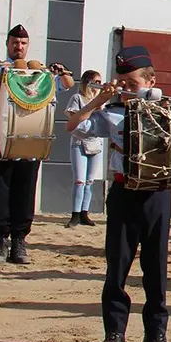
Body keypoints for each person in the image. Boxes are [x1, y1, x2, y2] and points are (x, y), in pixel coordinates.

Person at [68, 46, 171, 342]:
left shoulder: (168, 110)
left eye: (132, 84)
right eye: (122, 83)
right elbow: (75, 126)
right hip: (123, 193)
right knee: (117, 264)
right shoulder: (111, 112)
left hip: (157, 194)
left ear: (151, 81)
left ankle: (156, 334)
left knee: (155, 267)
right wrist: (99, 99)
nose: (126, 89)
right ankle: (114, 332)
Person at [0, 25, 74, 264]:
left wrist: (60, 71)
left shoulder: (39, 75)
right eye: (14, 43)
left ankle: (20, 241)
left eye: (22, 43)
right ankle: (0, 241)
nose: (18, 47)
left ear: (27, 45)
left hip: (30, 138)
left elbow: (67, 84)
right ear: (8, 44)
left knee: (25, 190)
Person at [65, 70, 104, 228]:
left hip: (95, 141)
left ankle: (84, 213)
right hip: (80, 141)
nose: (98, 85)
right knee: (80, 180)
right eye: (96, 81)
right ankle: (75, 213)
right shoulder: (77, 98)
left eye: (100, 82)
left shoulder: (100, 101)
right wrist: (93, 108)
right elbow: (74, 118)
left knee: (90, 180)